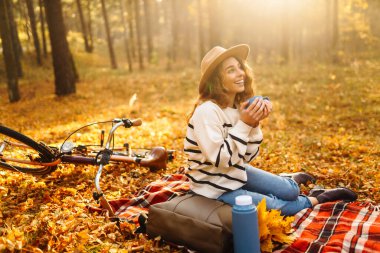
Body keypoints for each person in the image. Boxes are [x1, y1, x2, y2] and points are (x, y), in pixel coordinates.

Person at [184, 44, 357, 216]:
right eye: (231, 70)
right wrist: (245, 124)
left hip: (234, 172)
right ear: (216, 80)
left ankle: (288, 180)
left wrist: (254, 124)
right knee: (286, 207)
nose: (241, 73)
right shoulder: (207, 112)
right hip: (213, 187)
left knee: (290, 191)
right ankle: (320, 197)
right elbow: (221, 160)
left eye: (240, 67)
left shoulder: (238, 108)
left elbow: (246, 157)